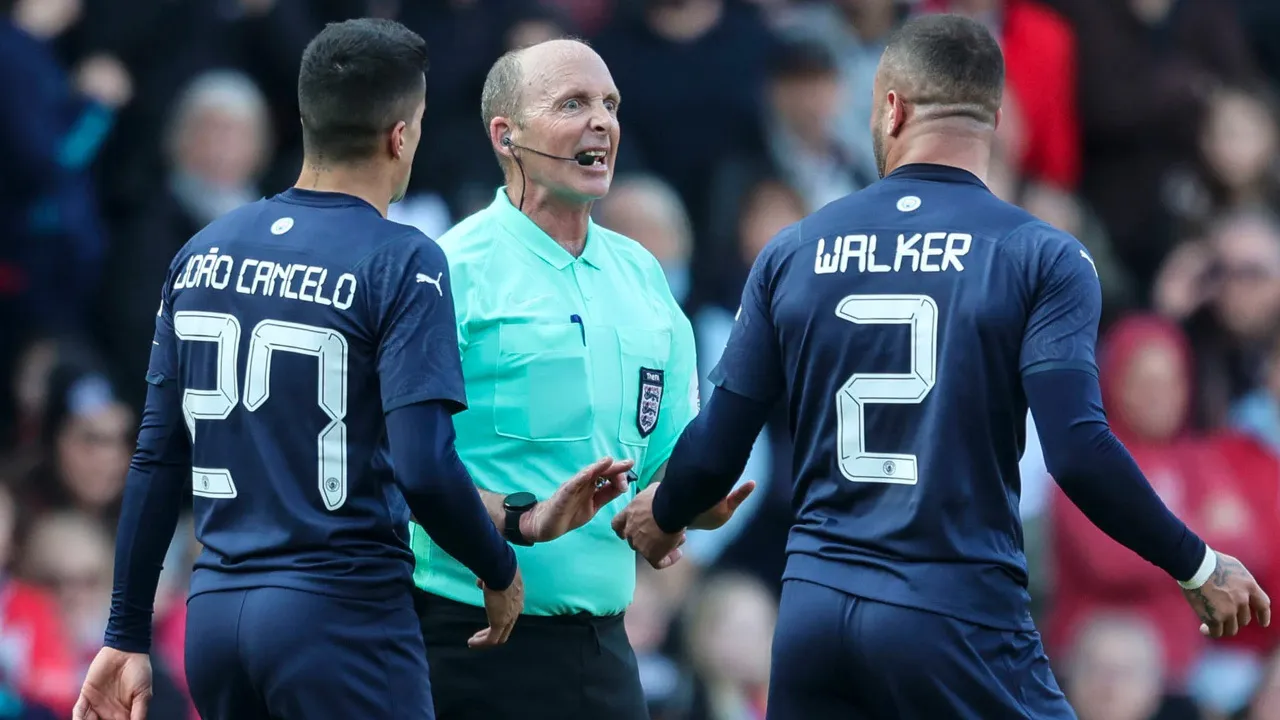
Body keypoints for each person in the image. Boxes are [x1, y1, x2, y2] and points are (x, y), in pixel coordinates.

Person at [613, 14, 1272, 720]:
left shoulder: (794, 250)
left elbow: (717, 447)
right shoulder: (1039, 255)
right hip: (954, 610)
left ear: (890, 106)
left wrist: (667, 512)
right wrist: (1195, 563)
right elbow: (1077, 453)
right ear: (996, 118)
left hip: (815, 619)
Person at [73, 19, 633, 720]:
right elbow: (424, 467)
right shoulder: (401, 260)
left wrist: (125, 634)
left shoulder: (201, 253)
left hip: (214, 616)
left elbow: (156, 458)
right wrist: (498, 566)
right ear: (401, 135)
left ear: (308, 119)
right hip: (340, 618)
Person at [409, 38, 754, 720]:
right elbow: (407, 464)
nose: (602, 120)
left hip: (604, 654)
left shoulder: (644, 276)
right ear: (506, 136)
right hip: (467, 643)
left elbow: (661, 467)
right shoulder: (449, 269)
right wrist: (520, 523)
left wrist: (685, 503)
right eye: (573, 103)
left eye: (609, 104)